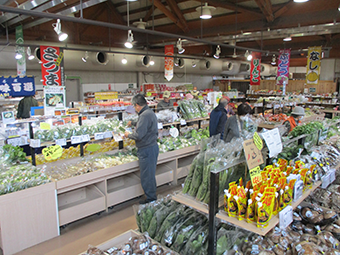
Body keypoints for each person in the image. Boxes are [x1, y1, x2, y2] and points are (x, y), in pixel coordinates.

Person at [124, 94, 159, 204]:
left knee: (147, 176)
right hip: (152, 147)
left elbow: (139, 135)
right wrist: (133, 123)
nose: (134, 109)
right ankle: (151, 196)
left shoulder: (144, 115)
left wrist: (128, 135)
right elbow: (145, 125)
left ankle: (151, 199)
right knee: (150, 174)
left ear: (137, 105)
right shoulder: (149, 112)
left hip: (146, 149)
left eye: (134, 107)